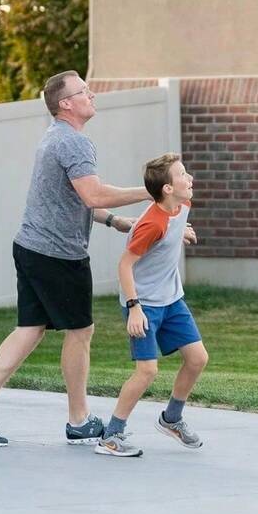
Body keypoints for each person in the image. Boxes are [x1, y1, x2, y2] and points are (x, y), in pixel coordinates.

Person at [0, 71, 150, 447]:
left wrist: (113, 221)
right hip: (57, 254)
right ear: (66, 104)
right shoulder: (74, 143)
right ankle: (78, 420)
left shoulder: (55, 138)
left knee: (30, 327)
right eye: (83, 92)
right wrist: (149, 191)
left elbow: (74, 198)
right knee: (80, 331)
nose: (91, 94)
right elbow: (93, 194)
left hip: (31, 247)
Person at [95, 152, 208, 458]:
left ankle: (171, 419)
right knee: (147, 371)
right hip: (144, 304)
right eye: (183, 175)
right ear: (168, 189)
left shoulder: (182, 205)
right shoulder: (151, 224)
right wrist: (134, 307)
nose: (190, 178)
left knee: (197, 359)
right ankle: (111, 435)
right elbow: (124, 266)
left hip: (171, 299)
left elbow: (170, 229)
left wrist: (178, 233)